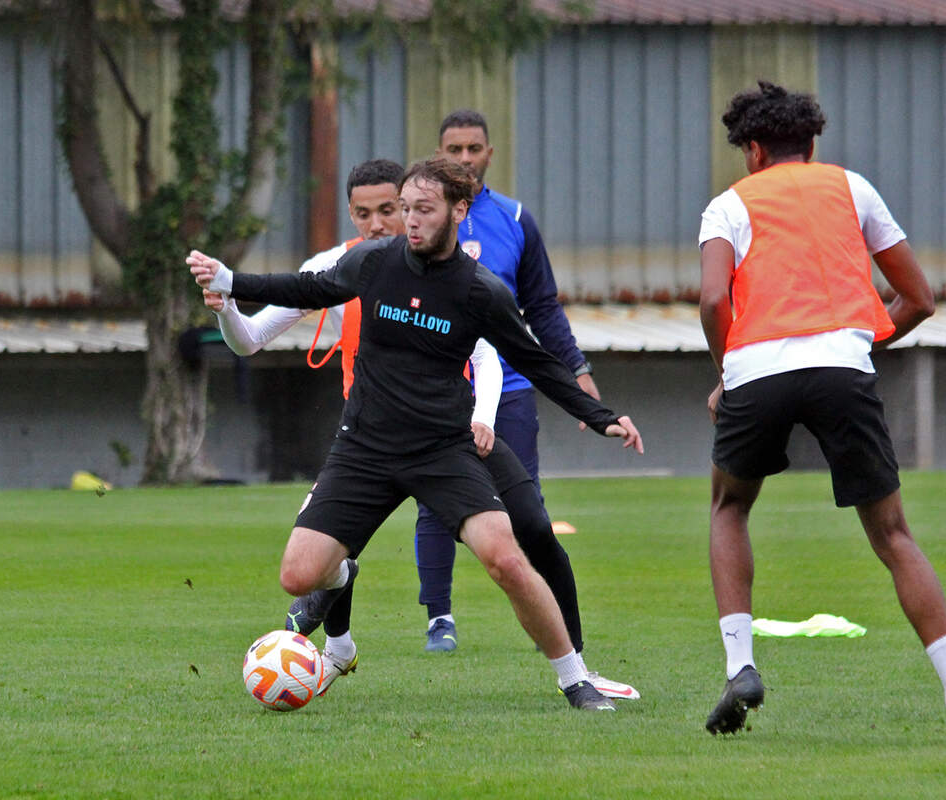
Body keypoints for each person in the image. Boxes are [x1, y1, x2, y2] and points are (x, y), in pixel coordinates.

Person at [191, 157, 643, 710]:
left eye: (421, 210)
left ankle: (575, 679)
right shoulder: (374, 262)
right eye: (404, 209)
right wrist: (231, 282)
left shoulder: (481, 291)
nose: (408, 221)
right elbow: (306, 288)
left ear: (458, 210)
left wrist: (603, 416)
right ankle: (342, 593)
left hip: (442, 448)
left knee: (504, 556)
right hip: (365, 445)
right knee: (297, 574)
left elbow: (536, 359)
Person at [697, 80, 946, 743]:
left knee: (730, 506)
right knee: (893, 535)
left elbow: (714, 298)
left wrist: (728, 374)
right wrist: (852, 345)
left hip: (757, 371)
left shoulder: (729, 204)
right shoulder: (853, 188)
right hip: (842, 367)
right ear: (811, 143)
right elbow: (918, 297)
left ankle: (741, 667)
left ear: (751, 150)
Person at [413, 108, 600, 657]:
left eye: (474, 149)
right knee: (434, 500)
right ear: (439, 153)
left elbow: (542, 306)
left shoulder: (515, 218)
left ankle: (551, 621)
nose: (465, 158)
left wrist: (579, 372)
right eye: (454, 149)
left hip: (512, 386)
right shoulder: (421, 218)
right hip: (440, 388)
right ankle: (439, 618)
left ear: (490, 154)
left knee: (528, 512)